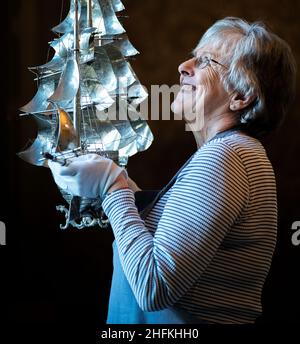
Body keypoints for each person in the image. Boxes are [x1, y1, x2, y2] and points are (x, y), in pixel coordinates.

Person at [49, 17, 296, 324]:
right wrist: (124, 189)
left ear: (241, 97)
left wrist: (113, 186)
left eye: (205, 61)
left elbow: (154, 287)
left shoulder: (226, 157)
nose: (183, 65)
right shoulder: (235, 154)